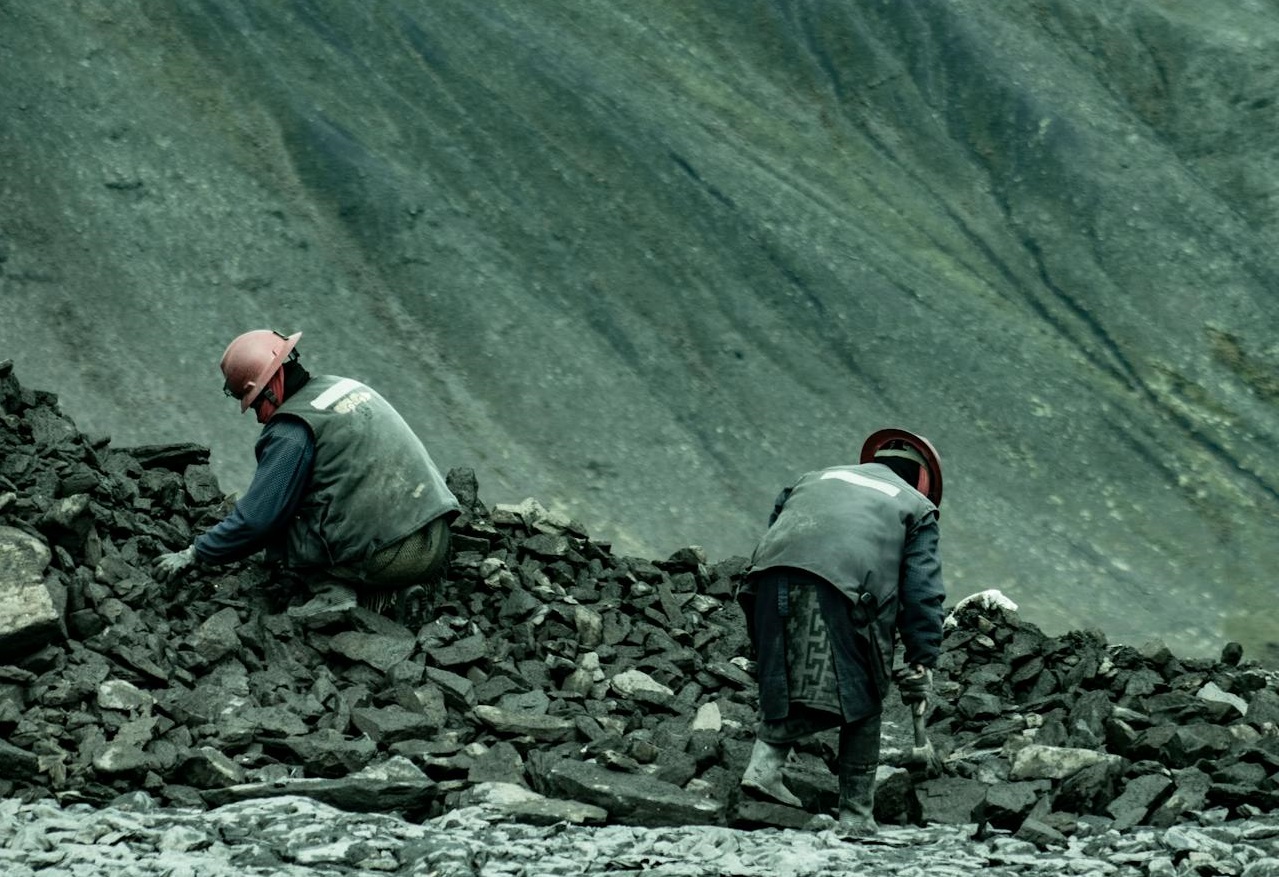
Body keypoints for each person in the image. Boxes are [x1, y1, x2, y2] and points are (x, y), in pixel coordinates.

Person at [154, 329, 460, 626]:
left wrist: (195, 552)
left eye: (255, 401)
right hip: (436, 538)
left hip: (391, 556)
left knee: (286, 511)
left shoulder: (292, 431)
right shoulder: (341, 386)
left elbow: (258, 519)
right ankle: (393, 598)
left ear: (273, 384)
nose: (256, 415)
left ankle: (334, 596)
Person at [736, 427, 946, 837]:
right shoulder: (916, 506)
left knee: (780, 674)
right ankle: (856, 816)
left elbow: (780, 531)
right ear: (924, 480)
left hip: (764, 583)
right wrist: (923, 657)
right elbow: (922, 591)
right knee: (864, 692)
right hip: (839, 589)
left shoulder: (814, 478)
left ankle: (763, 769)